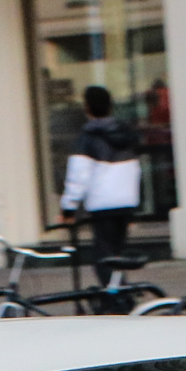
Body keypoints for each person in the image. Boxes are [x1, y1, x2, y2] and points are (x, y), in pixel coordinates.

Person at [59, 85, 142, 263]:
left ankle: (116, 290)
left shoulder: (88, 136)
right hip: (127, 201)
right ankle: (120, 287)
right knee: (118, 253)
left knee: (104, 258)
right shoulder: (126, 132)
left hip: (102, 203)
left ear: (87, 107)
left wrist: (68, 208)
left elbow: (78, 176)